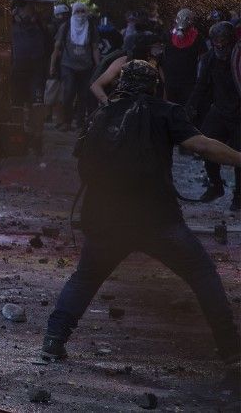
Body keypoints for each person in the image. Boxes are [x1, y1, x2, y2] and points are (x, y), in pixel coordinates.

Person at [43, 60, 241, 389]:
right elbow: (203, 146)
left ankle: (53, 339)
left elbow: (84, 161)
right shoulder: (165, 112)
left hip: (106, 217)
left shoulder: (101, 114)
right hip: (156, 219)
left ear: (122, 81)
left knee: (86, 278)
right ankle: (232, 352)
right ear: (153, 84)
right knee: (203, 275)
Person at [187, 22, 241, 210]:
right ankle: (216, 185)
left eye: (223, 41)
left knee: (239, 156)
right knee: (206, 146)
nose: (219, 45)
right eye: (215, 41)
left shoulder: (238, 57)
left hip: (239, 113)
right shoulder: (210, 58)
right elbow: (201, 85)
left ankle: (239, 196)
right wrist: (190, 106)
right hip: (219, 109)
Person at [51, 2, 100, 130]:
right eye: (77, 11)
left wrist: (99, 66)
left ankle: (80, 123)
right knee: (68, 93)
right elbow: (56, 47)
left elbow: (95, 48)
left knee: (83, 95)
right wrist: (52, 65)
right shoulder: (66, 26)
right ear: (73, 13)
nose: (80, 14)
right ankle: (66, 121)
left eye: (82, 11)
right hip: (68, 65)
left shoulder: (91, 28)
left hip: (86, 67)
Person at [89, 31, 165, 105]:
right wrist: (109, 105)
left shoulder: (157, 65)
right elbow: (96, 86)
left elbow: (163, 89)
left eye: (161, 47)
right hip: (121, 111)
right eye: (157, 48)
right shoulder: (124, 61)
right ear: (147, 49)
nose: (160, 51)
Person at [162, 8, 205, 105]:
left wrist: (200, 79)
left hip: (189, 81)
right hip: (171, 80)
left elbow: (203, 60)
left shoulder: (198, 38)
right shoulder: (169, 36)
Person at [10, 1, 48, 106]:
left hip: (36, 63)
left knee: (35, 99)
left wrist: (39, 20)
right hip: (18, 63)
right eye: (24, 9)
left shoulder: (38, 25)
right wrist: (12, 17)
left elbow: (47, 40)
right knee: (18, 97)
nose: (26, 12)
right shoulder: (12, 24)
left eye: (30, 9)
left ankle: (33, 120)